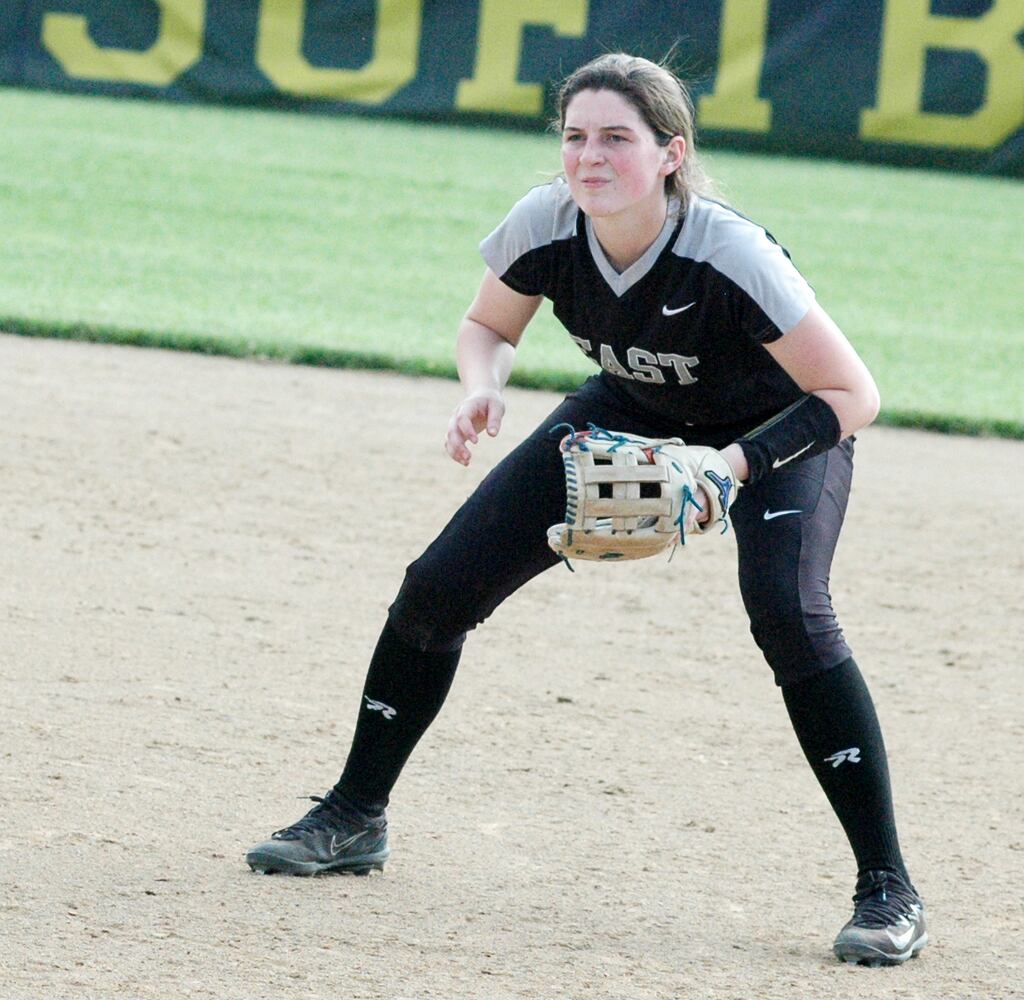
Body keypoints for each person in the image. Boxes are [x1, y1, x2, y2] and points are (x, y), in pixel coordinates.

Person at [246, 53, 927, 967]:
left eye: (617, 137)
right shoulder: (547, 223)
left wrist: (731, 466)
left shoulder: (725, 251)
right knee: (436, 588)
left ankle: (888, 889)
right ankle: (353, 814)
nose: (589, 156)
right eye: (575, 135)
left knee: (793, 619)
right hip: (631, 408)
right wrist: (482, 387)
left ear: (671, 154)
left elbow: (852, 394)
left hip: (778, 432)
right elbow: (488, 323)